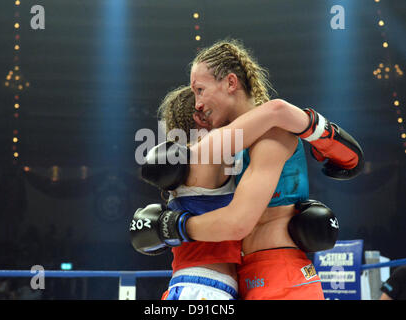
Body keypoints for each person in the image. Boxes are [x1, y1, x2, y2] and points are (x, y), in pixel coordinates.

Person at [131, 39, 363, 300]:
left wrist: (172, 227)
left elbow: (238, 223)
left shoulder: (273, 132)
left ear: (231, 83)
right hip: (243, 278)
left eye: (200, 90)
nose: (197, 103)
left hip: (279, 271)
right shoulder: (231, 141)